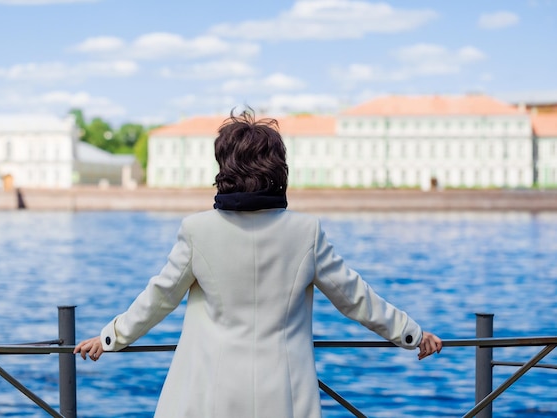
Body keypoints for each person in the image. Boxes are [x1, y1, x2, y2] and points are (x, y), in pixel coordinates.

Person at [74, 110, 442, 418]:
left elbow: (159, 298)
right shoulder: (305, 231)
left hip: (210, 393)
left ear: (224, 167)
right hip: (285, 394)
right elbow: (355, 298)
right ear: (278, 168)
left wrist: (110, 338)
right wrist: (410, 334)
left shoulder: (197, 230)